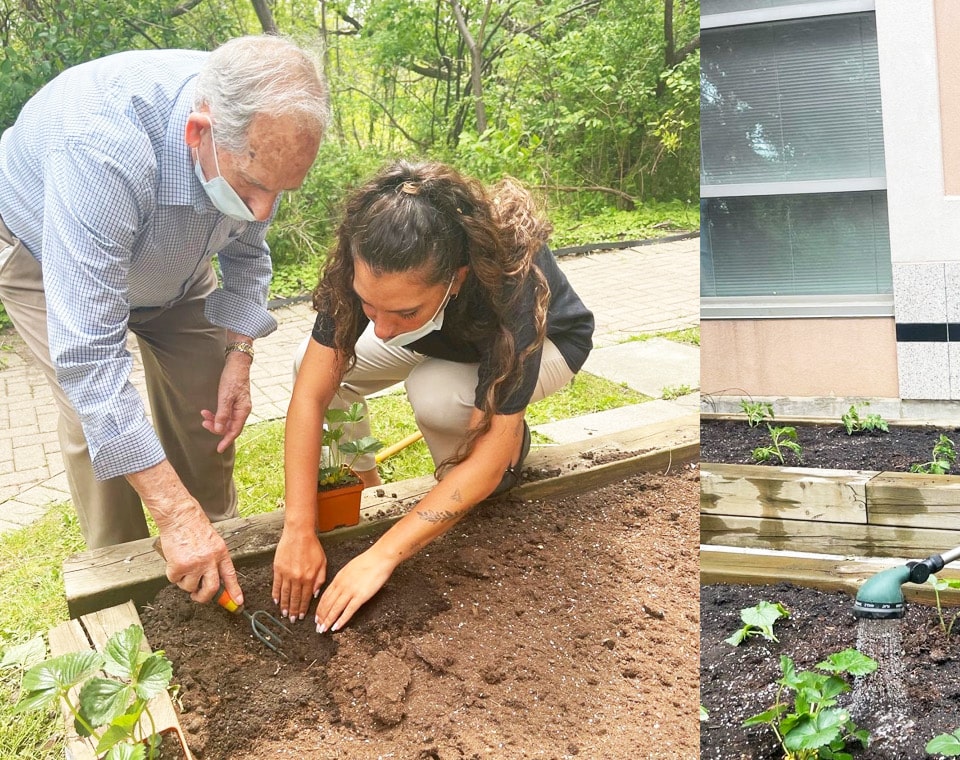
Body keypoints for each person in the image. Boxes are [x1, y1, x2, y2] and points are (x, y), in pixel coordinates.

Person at [0, 36, 329, 607]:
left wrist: (240, 353)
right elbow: (91, 361)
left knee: (206, 400)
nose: (263, 211)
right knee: (95, 426)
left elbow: (248, 253)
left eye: (281, 191)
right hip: (47, 255)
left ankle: (215, 542)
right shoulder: (100, 149)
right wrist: (172, 511)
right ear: (198, 133)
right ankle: (122, 579)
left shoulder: (261, 132)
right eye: (254, 187)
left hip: (175, 261)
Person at [272, 160, 595, 632]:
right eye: (368, 305)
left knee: (438, 395)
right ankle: (370, 485)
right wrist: (298, 528)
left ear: (456, 278)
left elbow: (486, 461)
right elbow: (309, 395)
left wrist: (382, 554)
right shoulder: (367, 259)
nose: (381, 330)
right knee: (311, 362)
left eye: (403, 311)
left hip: (547, 343)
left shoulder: (512, 276)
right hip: (441, 333)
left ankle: (507, 450)